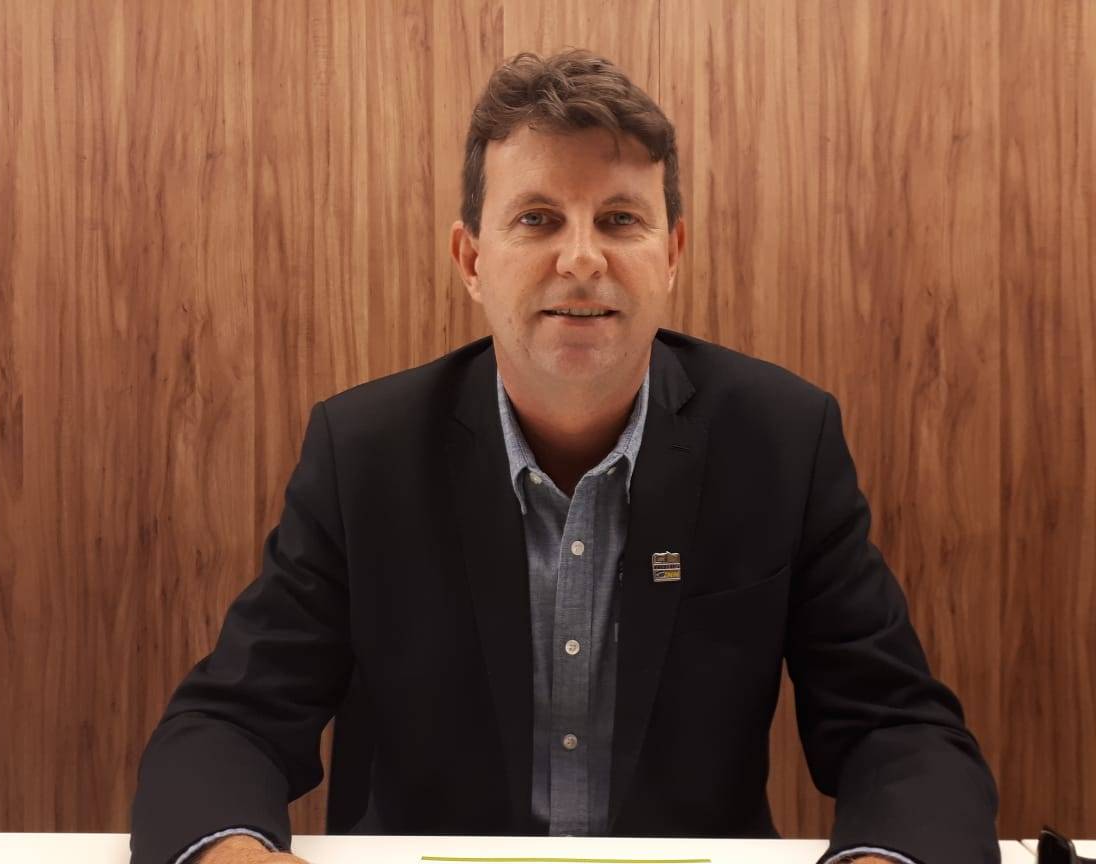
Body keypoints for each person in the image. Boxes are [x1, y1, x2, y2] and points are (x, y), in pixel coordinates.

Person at [130, 50, 999, 864]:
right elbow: (230, 724)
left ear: (672, 253)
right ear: (472, 260)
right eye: (538, 218)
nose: (582, 259)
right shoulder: (366, 453)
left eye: (619, 219)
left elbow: (899, 729)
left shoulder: (781, 440)